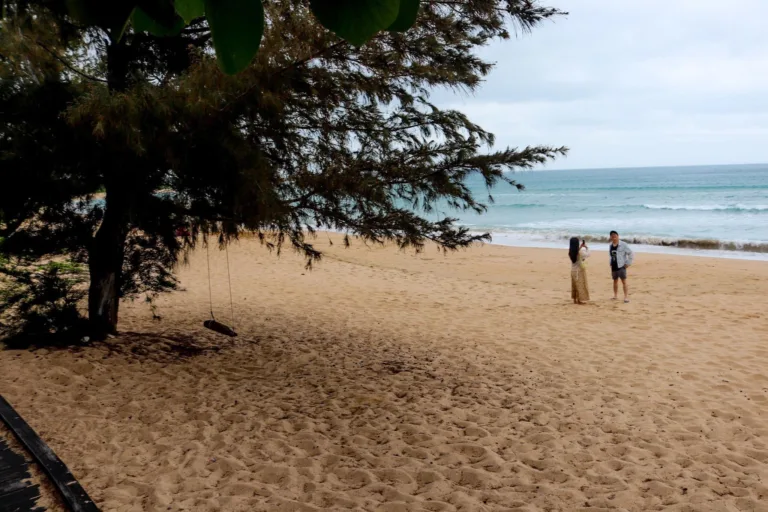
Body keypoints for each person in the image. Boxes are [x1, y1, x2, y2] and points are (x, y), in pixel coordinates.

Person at [609, 230, 634, 303]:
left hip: (621, 266)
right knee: (615, 281)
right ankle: (615, 295)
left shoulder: (623, 244)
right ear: (611, 237)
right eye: (612, 236)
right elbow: (611, 255)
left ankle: (626, 297)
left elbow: (631, 254)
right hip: (613, 266)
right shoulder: (610, 245)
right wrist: (610, 262)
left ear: (618, 236)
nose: (614, 238)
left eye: (615, 236)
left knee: (624, 281)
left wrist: (628, 263)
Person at [569, 237, 590, 304]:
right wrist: (586, 248)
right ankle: (579, 300)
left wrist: (581, 247)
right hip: (579, 271)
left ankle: (575, 299)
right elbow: (587, 255)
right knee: (580, 286)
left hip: (573, 270)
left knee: (574, 286)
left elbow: (576, 253)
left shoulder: (570, 251)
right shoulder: (580, 252)